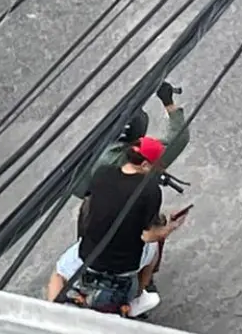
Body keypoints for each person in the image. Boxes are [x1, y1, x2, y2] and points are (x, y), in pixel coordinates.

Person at [71, 81, 190, 289]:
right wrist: (168, 102)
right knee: (157, 224)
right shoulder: (149, 183)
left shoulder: (98, 164)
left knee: (86, 215)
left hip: (92, 234)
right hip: (127, 254)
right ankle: (145, 283)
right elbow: (179, 138)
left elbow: (78, 188)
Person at [46, 136, 187, 311]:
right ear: (144, 165)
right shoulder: (151, 190)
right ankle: (138, 296)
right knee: (153, 252)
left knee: (58, 275)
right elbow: (148, 235)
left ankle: (53, 313)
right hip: (124, 267)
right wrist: (170, 228)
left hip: (88, 256)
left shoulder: (102, 173)